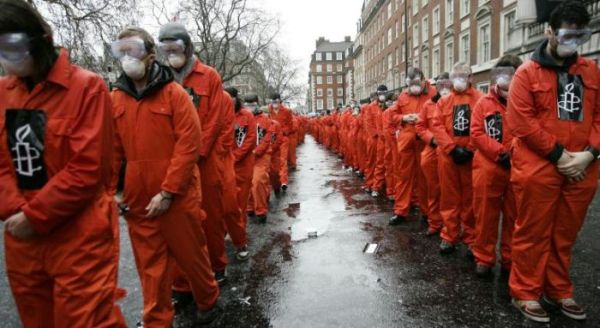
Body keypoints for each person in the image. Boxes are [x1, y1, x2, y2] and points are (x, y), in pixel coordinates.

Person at [0, 1, 126, 327]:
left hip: (78, 235)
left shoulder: (86, 87)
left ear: (38, 39)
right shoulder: (4, 93)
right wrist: (17, 211)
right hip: (23, 237)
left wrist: (35, 214)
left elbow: (87, 167)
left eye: (11, 46)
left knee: (85, 319)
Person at [110, 26, 220, 326]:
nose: (126, 57)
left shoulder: (174, 94)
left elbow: (189, 145)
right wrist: (116, 192)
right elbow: (112, 151)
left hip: (178, 195)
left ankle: (207, 298)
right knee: (150, 267)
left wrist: (168, 191)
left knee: (192, 255)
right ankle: (157, 319)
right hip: (138, 199)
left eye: (132, 49)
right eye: (120, 52)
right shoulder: (116, 99)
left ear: (148, 52)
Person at [507, 1, 599, 322]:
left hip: (582, 167)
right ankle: (525, 291)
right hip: (541, 166)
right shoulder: (526, 73)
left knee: (565, 233)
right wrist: (560, 156)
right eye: (566, 34)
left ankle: (558, 289)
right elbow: (521, 121)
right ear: (549, 31)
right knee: (532, 232)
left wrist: (590, 153)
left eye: (580, 35)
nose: (573, 42)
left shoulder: (590, 70)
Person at [158, 22, 236, 285]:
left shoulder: (209, 76)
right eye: (165, 49)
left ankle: (217, 265)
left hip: (205, 159)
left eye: (176, 48)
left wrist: (194, 152)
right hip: (174, 161)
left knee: (211, 216)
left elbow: (214, 120)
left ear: (188, 47)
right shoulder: (161, 76)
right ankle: (183, 278)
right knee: (180, 222)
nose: (171, 54)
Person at [470, 55, 522, 278]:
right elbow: (477, 132)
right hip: (489, 167)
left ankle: (510, 259)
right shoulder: (483, 102)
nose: (505, 79)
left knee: (515, 217)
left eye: (509, 74)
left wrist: (515, 154)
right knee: (485, 216)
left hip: (518, 168)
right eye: (501, 73)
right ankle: (484, 257)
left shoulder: (526, 101)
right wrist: (500, 153)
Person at [430, 62, 484, 254]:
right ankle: (449, 235)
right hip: (448, 157)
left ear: (471, 77)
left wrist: (470, 148)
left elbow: (483, 126)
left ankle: (471, 238)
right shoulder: (443, 102)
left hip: (472, 156)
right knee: (449, 198)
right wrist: (452, 149)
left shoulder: (480, 99)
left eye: (464, 75)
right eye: (456, 76)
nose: (459, 79)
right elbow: (436, 126)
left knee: (471, 200)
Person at [389, 68, 436, 225]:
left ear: (423, 80)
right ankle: (401, 211)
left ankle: (427, 211)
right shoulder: (403, 95)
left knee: (426, 179)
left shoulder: (434, 93)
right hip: (407, 141)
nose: (413, 87)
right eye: (410, 84)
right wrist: (403, 118)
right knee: (404, 177)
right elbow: (392, 115)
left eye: (416, 83)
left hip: (425, 141)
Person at [415, 73, 451, 236]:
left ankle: (451, 227)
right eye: (440, 84)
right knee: (433, 189)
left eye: (446, 84)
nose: (443, 88)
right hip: (433, 148)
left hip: (451, 150)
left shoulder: (455, 102)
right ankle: (435, 222)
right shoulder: (428, 105)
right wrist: (432, 139)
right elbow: (420, 127)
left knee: (451, 191)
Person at [226, 87, 254, 261]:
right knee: (227, 203)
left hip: (242, 166)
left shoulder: (247, 116)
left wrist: (234, 157)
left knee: (240, 204)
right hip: (224, 166)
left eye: (231, 98)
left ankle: (239, 235)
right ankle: (229, 231)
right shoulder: (220, 114)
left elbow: (250, 139)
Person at [247, 96, 273, 223]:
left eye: (251, 104)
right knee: (248, 182)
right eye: (247, 105)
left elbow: (267, 138)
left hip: (262, 156)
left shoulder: (265, 119)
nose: (249, 107)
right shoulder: (245, 118)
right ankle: (250, 206)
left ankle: (261, 210)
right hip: (247, 156)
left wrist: (257, 151)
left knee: (258, 181)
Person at [268, 93, 293, 191]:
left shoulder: (286, 111)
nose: (275, 103)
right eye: (273, 101)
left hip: (283, 139)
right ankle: (275, 182)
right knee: (272, 162)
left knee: (283, 160)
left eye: (276, 101)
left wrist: (283, 132)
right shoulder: (267, 111)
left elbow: (290, 125)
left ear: (280, 101)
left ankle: (283, 181)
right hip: (271, 140)